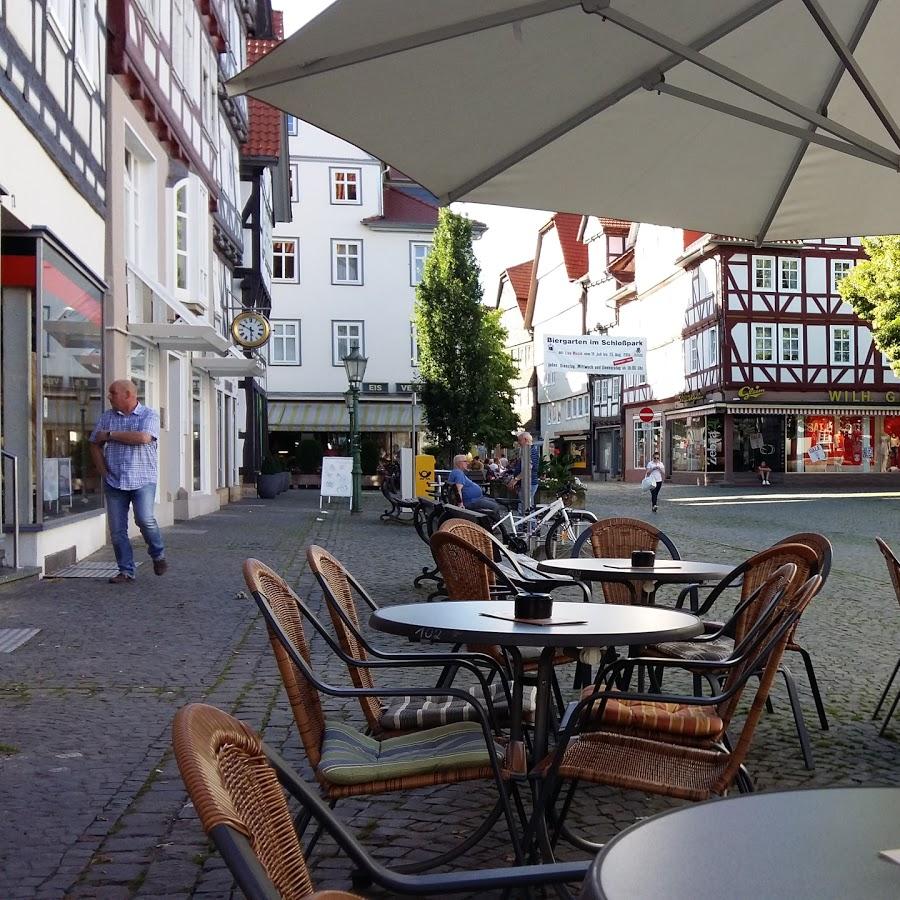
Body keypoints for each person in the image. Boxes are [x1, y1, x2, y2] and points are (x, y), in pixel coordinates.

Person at [89, 379, 167, 584]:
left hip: (143, 479)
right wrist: (103, 471)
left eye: (113, 393)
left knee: (144, 519)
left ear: (128, 395)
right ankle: (126, 571)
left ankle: (158, 554)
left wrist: (111, 435)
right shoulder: (107, 417)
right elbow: (94, 443)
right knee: (116, 530)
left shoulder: (149, 415)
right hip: (114, 480)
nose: (109, 396)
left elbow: (143, 438)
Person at [447, 454, 508, 530]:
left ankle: (493, 525)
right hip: (471, 501)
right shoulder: (458, 473)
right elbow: (458, 490)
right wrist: (460, 503)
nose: (468, 463)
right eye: (465, 461)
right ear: (459, 463)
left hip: (475, 498)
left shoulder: (456, 472)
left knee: (495, 501)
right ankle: (492, 528)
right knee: (495, 506)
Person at [509, 432, 541, 507]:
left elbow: (527, 469)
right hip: (527, 483)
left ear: (525, 440)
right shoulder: (529, 451)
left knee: (525, 509)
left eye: (520, 440)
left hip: (528, 483)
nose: (519, 443)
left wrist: (515, 479)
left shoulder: (530, 451)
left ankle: (528, 519)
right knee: (526, 507)